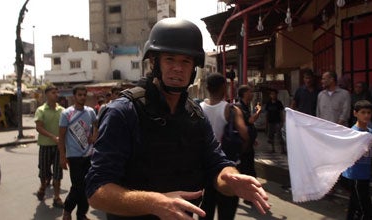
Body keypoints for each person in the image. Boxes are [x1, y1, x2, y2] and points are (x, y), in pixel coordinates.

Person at [85, 18, 270, 220]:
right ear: (154, 62)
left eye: (185, 61)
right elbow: (97, 191)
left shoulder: (195, 114)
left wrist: (230, 178)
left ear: (194, 68)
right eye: (170, 59)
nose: (178, 68)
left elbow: (217, 164)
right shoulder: (123, 112)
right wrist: (156, 203)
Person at [199, 73, 249, 220]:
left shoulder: (198, 108)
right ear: (223, 88)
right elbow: (245, 135)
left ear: (207, 88)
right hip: (228, 167)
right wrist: (241, 153)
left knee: (205, 208)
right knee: (227, 211)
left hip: (205, 167)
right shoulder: (231, 109)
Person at [59, 85, 98, 220]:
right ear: (74, 96)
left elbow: (96, 125)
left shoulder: (91, 111)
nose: (82, 97)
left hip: (89, 154)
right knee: (77, 185)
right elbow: (61, 136)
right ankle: (67, 210)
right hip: (74, 156)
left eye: (84, 95)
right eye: (79, 95)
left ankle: (81, 214)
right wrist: (62, 156)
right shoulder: (66, 114)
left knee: (86, 185)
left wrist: (95, 135)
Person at [341, 100, 372, 220]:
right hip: (354, 177)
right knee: (366, 210)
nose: (366, 115)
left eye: (369, 112)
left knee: (355, 206)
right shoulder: (353, 133)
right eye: (363, 112)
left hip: (364, 175)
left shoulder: (370, 133)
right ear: (355, 113)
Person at [34, 85, 65, 207]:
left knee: (58, 172)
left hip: (59, 147)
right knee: (44, 170)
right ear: (46, 94)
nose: (56, 95)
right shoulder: (41, 110)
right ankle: (42, 187)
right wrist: (53, 137)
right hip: (45, 145)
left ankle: (56, 197)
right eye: (53, 92)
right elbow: (39, 127)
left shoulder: (62, 110)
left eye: (57, 92)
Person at [236, 85, 261, 178]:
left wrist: (252, 138)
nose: (252, 94)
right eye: (250, 92)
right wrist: (258, 111)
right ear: (244, 94)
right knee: (245, 166)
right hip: (243, 144)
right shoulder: (239, 106)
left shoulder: (246, 106)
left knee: (249, 165)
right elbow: (250, 120)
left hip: (248, 142)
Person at [264, 88, 285, 153]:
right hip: (270, 121)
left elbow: (281, 112)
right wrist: (266, 123)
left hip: (277, 121)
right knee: (271, 135)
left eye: (274, 94)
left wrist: (282, 121)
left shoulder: (279, 103)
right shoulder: (268, 103)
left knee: (279, 135)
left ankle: (282, 149)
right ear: (270, 95)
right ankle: (272, 149)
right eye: (272, 94)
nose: (273, 95)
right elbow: (267, 113)